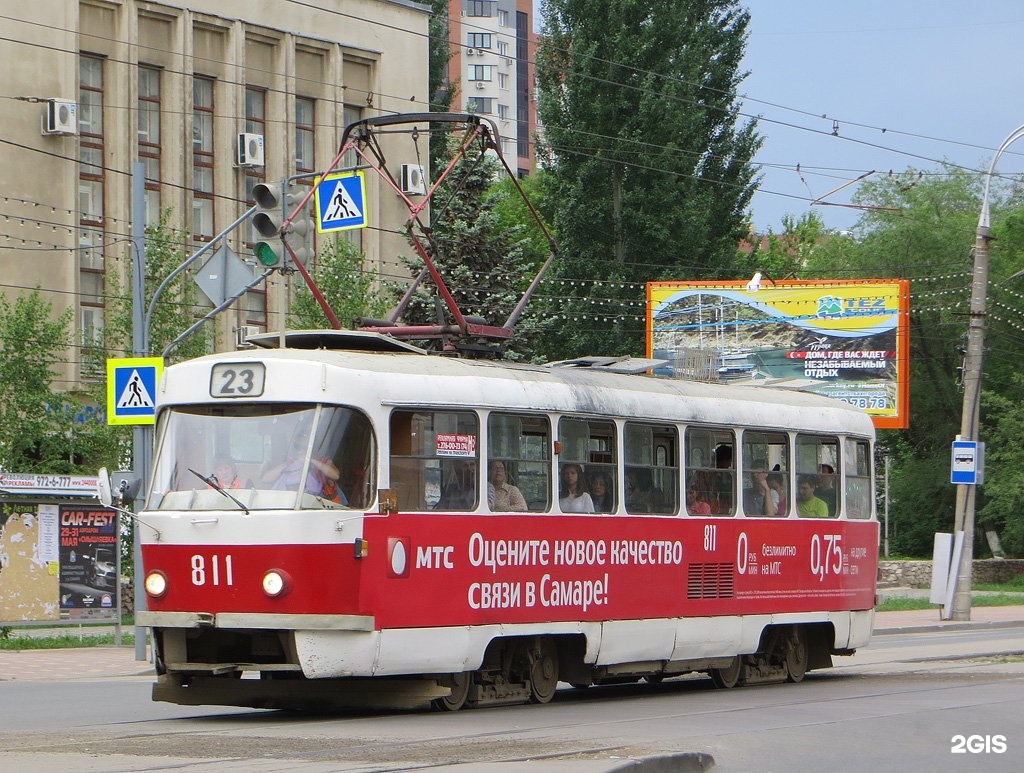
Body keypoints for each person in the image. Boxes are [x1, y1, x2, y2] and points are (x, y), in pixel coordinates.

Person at [265, 429, 344, 503]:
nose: (301, 449)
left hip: (322, 505)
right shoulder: (290, 462)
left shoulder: (323, 461)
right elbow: (266, 478)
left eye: (305, 447)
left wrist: (310, 460)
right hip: (292, 502)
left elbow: (335, 475)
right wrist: (288, 464)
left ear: (313, 446)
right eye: (298, 446)